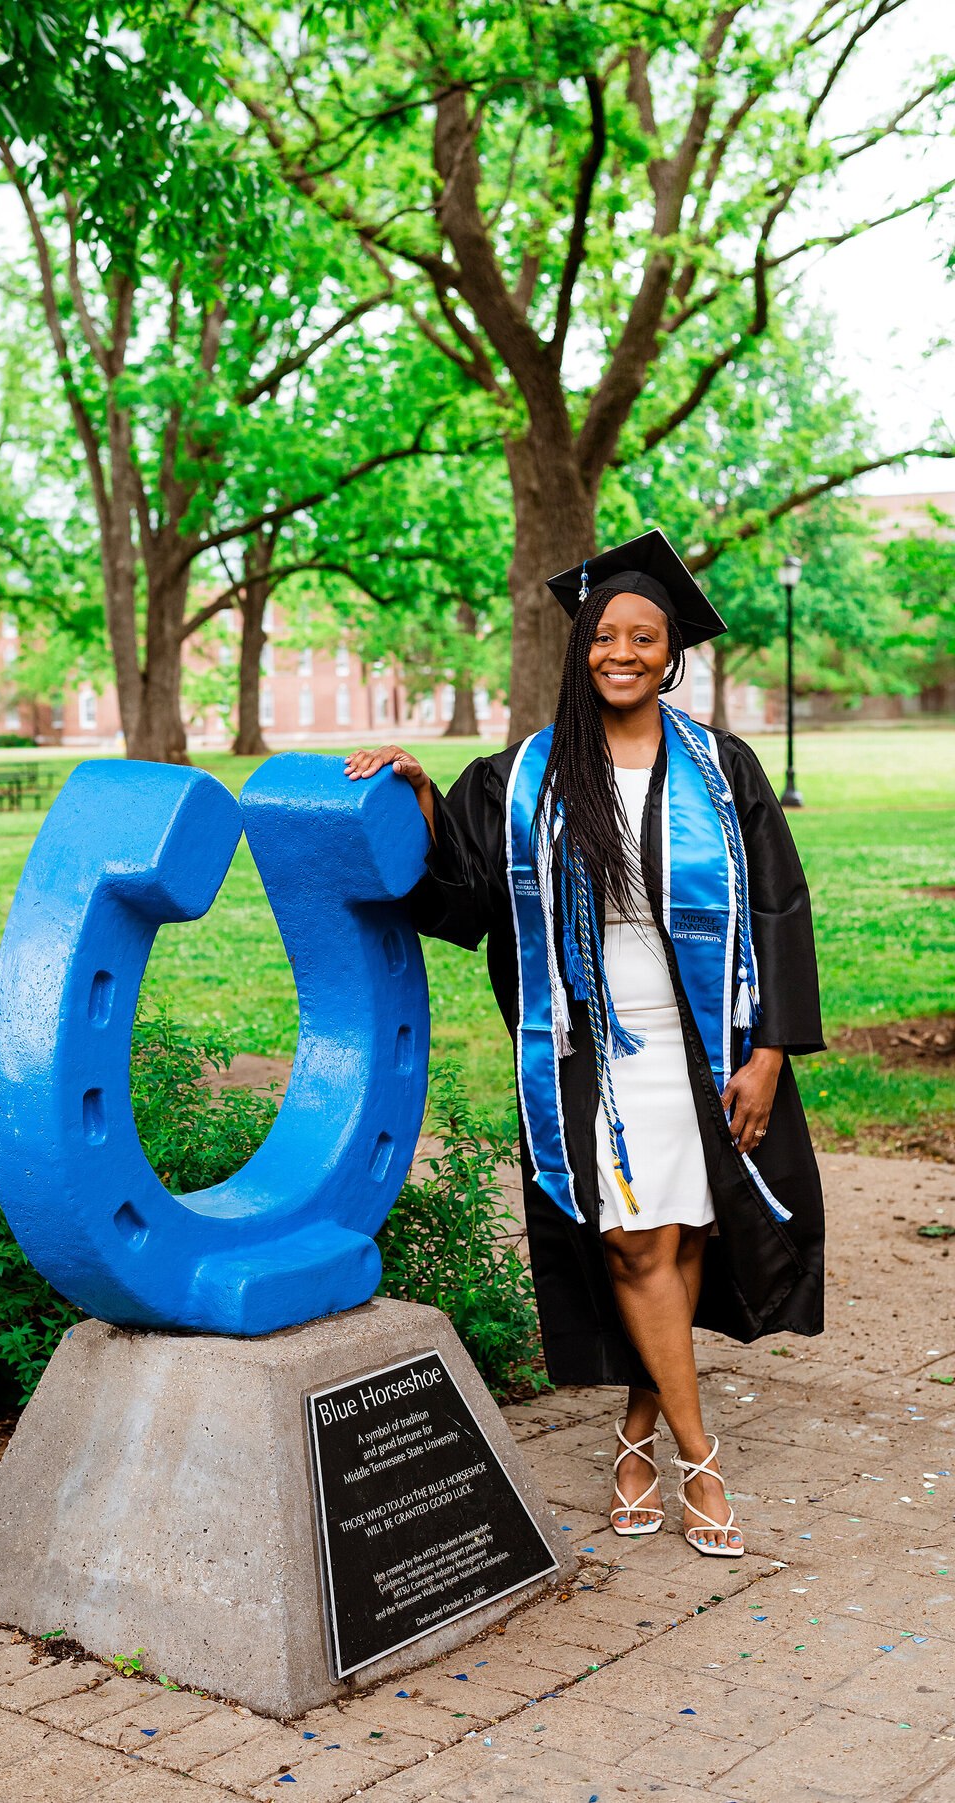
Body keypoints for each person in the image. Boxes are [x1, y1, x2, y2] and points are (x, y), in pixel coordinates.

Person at [345, 529, 825, 1557]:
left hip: (705, 1045)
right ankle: (702, 1461)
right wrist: (425, 798)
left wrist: (770, 1054)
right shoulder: (524, 776)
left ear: (670, 651)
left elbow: (782, 909)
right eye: (605, 635)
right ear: (581, 648)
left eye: (643, 637)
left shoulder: (720, 765)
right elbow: (466, 894)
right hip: (590, 1057)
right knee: (633, 1239)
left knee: (686, 1236)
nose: (622, 652)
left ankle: (639, 1439)